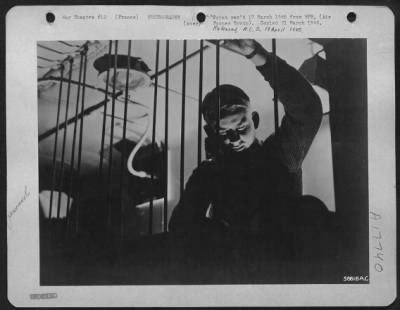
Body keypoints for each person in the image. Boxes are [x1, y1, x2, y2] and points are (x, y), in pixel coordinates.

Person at [167, 39, 335, 262]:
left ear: (254, 119)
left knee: (309, 209)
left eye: (241, 127)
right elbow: (181, 225)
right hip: (234, 267)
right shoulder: (208, 174)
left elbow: (307, 109)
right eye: (224, 132)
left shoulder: (280, 154)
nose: (235, 138)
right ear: (211, 132)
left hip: (283, 262)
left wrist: (258, 55)